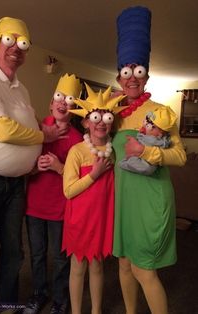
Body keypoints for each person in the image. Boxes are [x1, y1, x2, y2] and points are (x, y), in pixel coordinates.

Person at [0, 17, 67, 303]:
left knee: (12, 251)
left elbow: (27, 126)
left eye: (23, 44)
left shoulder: (22, 89)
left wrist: (31, 162)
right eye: (10, 41)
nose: (16, 49)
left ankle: (7, 304)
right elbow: (2, 129)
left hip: (16, 184)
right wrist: (44, 136)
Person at [112, 6, 187, 314]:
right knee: (125, 265)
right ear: (119, 77)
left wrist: (146, 151)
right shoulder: (113, 113)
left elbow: (180, 156)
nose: (132, 78)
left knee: (145, 271)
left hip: (151, 200)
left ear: (146, 75)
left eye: (138, 71)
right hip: (124, 202)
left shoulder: (161, 112)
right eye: (126, 72)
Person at [62, 84, 125, 314]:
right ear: (85, 122)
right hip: (79, 220)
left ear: (111, 122)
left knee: (98, 266)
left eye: (106, 117)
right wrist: (93, 175)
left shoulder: (114, 151)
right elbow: (68, 190)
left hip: (101, 219)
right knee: (78, 267)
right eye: (95, 117)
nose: (101, 122)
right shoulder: (77, 151)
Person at [23, 73, 83, 314]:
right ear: (51, 104)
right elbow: (21, 164)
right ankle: (39, 293)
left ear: (73, 109)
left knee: (59, 258)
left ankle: (59, 299)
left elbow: (79, 180)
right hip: (34, 207)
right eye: (59, 98)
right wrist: (34, 168)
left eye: (68, 101)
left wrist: (60, 168)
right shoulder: (36, 129)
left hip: (60, 209)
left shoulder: (78, 140)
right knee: (37, 254)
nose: (62, 103)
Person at [119, 106, 177, 175]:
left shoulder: (154, 140)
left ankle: (125, 163)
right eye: (147, 121)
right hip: (138, 156)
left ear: (159, 134)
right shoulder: (147, 135)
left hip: (148, 161)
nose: (146, 125)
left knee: (148, 169)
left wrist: (165, 142)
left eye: (151, 125)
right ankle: (126, 162)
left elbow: (164, 144)